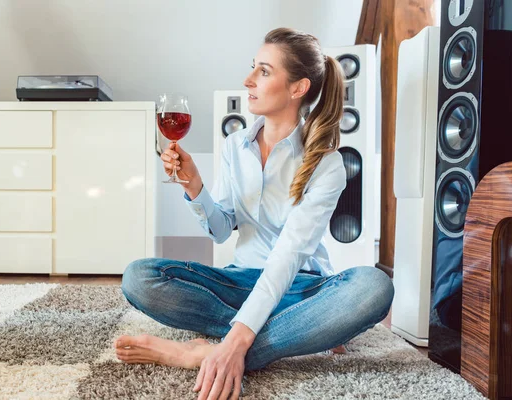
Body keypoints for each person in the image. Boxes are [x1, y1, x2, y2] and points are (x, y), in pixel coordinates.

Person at [115, 27, 394, 400]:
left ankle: (208, 353)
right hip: (237, 284)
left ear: (298, 88)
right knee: (139, 277)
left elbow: (288, 256)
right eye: (253, 68)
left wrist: (234, 343)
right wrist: (193, 185)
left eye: (264, 71)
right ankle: (294, 334)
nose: (248, 81)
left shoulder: (327, 165)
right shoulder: (235, 146)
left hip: (301, 288)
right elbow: (220, 229)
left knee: (373, 288)